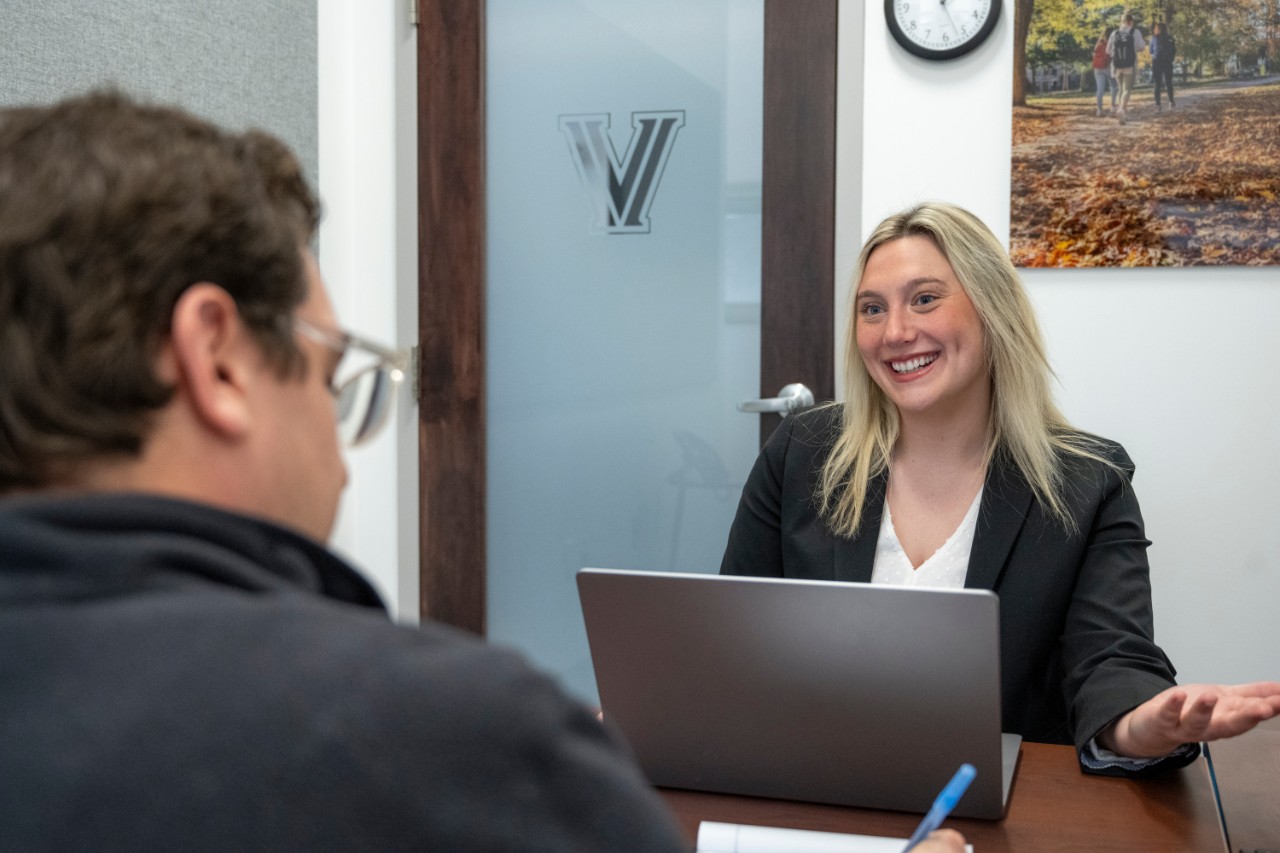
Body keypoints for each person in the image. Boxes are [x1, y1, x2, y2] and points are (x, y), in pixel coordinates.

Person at [0, 92, 968, 853]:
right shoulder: (450, 742)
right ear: (215, 359)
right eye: (332, 377)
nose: (343, 464)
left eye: (924, 300)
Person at [721, 201, 1280, 775]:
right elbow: (732, 639)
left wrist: (1142, 724)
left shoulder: (1088, 482)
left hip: (993, 804)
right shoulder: (802, 452)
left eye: (925, 299)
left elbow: (1112, 659)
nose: (895, 332)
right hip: (813, 784)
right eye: (872, 308)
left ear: (992, 309)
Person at [1107, 11, 1145, 124]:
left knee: (1121, 89)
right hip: (1130, 64)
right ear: (1130, 22)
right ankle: (1122, 109)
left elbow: (1108, 50)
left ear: (1122, 21)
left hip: (1116, 65)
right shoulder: (1135, 31)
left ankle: (1123, 112)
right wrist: (1133, 50)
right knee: (1127, 89)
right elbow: (1141, 47)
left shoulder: (1114, 33)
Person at [1149, 21, 1177, 112]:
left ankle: (1158, 105)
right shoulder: (1170, 38)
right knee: (1168, 83)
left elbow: (1151, 51)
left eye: (1155, 28)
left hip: (1157, 62)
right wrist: (1170, 59)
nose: (1154, 30)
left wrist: (1154, 56)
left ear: (1159, 29)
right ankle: (1171, 102)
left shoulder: (1154, 38)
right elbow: (1174, 51)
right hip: (1167, 63)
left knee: (1157, 84)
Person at [1091, 28, 1119, 116]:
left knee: (1100, 89)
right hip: (1108, 67)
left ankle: (1099, 110)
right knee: (1113, 87)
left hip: (1097, 68)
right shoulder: (1111, 43)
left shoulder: (1098, 43)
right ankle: (1113, 107)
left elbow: (1094, 54)